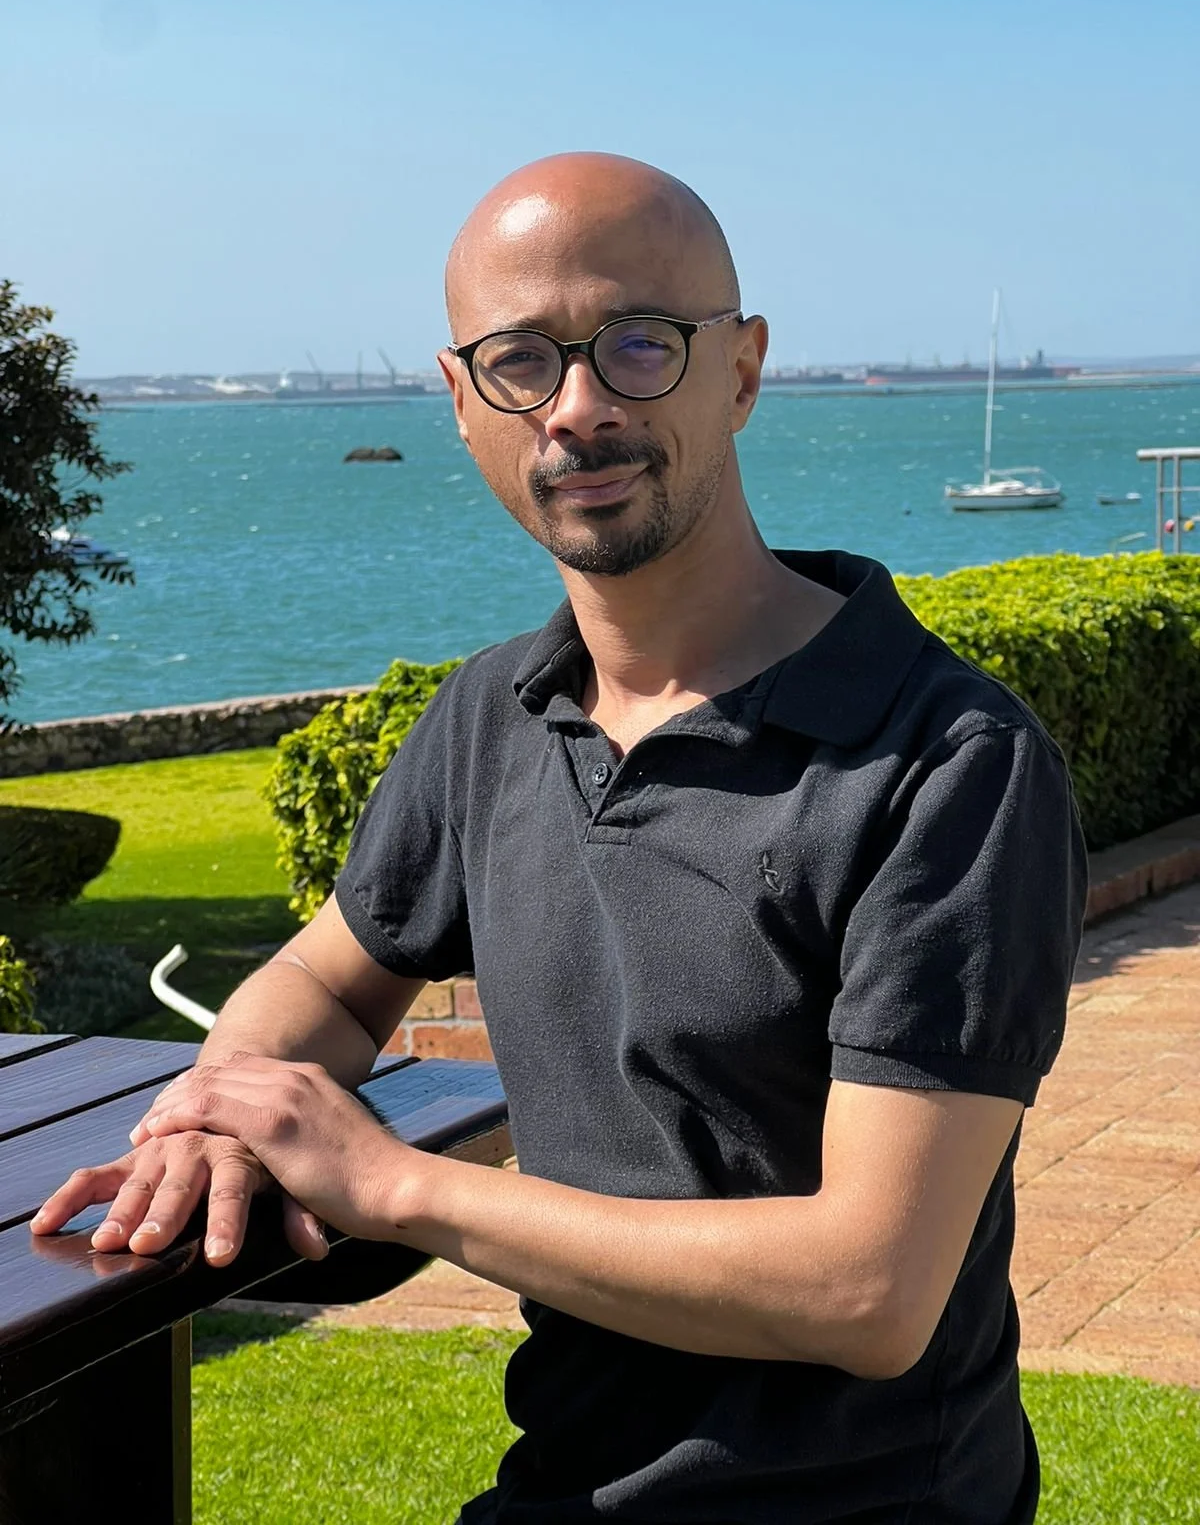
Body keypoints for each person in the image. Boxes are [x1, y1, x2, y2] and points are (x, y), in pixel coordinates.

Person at [35, 153, 1087, 1523]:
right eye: (521, 362)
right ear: (466, 403)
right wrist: (215, 1112)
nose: (578, 409)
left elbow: (869, 1290)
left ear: (745, 371)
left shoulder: (947, 764)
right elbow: (322, 982)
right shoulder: (493, 716)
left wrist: (393, 1186)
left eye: (640, 345)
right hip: (571, 1485)